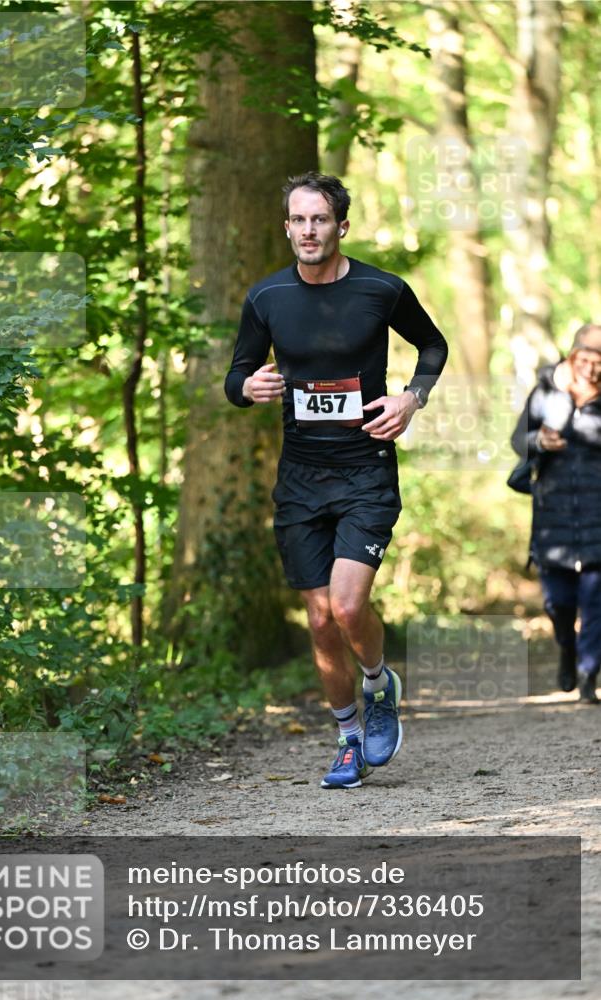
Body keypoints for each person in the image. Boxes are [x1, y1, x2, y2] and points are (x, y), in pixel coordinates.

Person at [224, 172, 448, 787]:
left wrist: (411, 399)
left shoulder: (381, 289)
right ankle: (348, 738)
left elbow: (432, 346)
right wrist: (247, 387)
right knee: (319, 619)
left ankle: (379, 684)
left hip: (365, 468)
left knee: (349, 606)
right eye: (297, 220)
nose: (307, 231)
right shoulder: (267, 298)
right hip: (300, 477)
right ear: (287, 226)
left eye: (319, 220)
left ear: (341, 226)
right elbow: (237, 375)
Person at [510, 323, 601, 704]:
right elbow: (518, 441)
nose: (594, 368)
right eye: (587, 359)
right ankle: (566, 646)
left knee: (596, 600)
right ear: (571, 354)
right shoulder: (545, 392)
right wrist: (539, 441)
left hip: (598, 514)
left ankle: (587, 674)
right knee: (558, 603)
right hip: (552, 517)